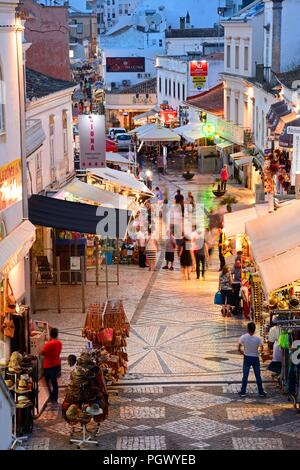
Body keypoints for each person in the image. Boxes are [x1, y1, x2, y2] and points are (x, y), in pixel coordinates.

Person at [238, 322, 267, 398]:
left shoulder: (243, 337)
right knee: (258, 376)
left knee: (245, 375)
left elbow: (239, 346)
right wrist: (259, 352)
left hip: (247, 357)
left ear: (248, 329)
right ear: (254, 329)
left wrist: (242, 352)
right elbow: (262, 348)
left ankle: (243, 391)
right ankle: (261, 392)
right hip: (255, 358)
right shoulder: (258, 338)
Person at [41, 327, 62, 404]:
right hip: (56, 364)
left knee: (46, 383)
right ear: (56, 335)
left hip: (48, 366)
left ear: (50, 335)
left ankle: (50, 396)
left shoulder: (49, 344)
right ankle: (55, 398)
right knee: (54, 382)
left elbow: (42, 352)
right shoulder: (59, 343)